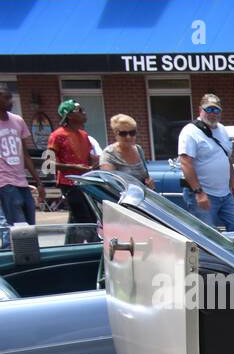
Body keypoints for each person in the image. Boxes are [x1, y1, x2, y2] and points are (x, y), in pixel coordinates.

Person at [177, 94, 234, 231]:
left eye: (216, 110)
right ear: (200, 110)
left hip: (225, 194)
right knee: (206, 235)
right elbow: (185, 163)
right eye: (209, 110)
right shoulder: (190, 131)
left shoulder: (222, 130)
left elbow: (227, 158)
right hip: (204, 193)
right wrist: (199, 193)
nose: (212, 114)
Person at [47, 99, 98, 243]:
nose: (84, 113)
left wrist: (99, 160)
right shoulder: (57, 135)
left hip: (85, 182)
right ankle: (90, 248)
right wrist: (75, 167)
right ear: (69, 115)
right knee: (85, 219)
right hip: (68, 182)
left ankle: (70, 246)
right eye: (79, 111)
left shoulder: (83, 134)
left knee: (81, 218)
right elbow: (48, 163)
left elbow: (88, 157)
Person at [0, 87, 45, 236]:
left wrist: (39, 182)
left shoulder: (17, 120)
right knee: (18, 225)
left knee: (30, 223)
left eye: (10, 97)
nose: (10, 101)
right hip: (4, 181)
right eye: (6, 98)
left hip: (21, 180)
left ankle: (29, 254)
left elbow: (25, 154)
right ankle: (19, 256)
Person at [99, 114, 154, 189]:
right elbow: (109, 186)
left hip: (141, 197)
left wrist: (150, 184)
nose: (128, 137)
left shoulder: (138, 149)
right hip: (120, 199)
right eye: (123, 134)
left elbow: (145, 177)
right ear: (115, 134)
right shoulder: (109, 154)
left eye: (132, 133)